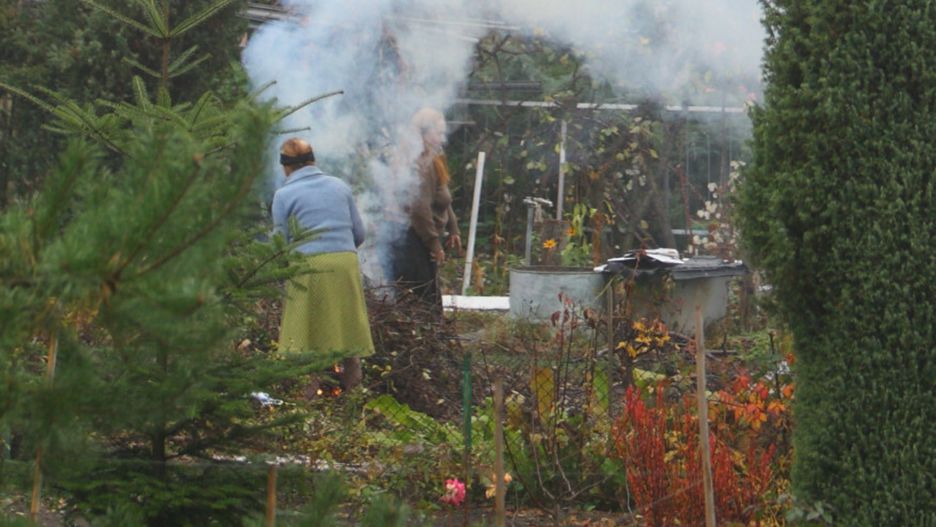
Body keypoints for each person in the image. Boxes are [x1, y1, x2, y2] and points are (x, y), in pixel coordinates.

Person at [272, 138, 374, 391]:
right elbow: (359, 234)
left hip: (308, 268)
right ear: (313, 159)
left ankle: (310, 407)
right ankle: (354, 400)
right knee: (349, 338)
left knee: (309, 340)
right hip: (345, 265)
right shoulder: (340, 186)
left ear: (285, 166)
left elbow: (280, 244)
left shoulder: (284, 195)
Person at [385, 107, 462, 314]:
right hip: (410, 240)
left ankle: (428, 341)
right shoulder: (419, 163)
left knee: (427, 296)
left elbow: (443, 196)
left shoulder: (434, 159)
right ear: (423, 134)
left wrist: (453, 228)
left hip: (421, 238)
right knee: (420, 300)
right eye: (438, 132)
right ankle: (421, 342)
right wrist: (434, 243)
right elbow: (420, 210)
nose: (442, 137)